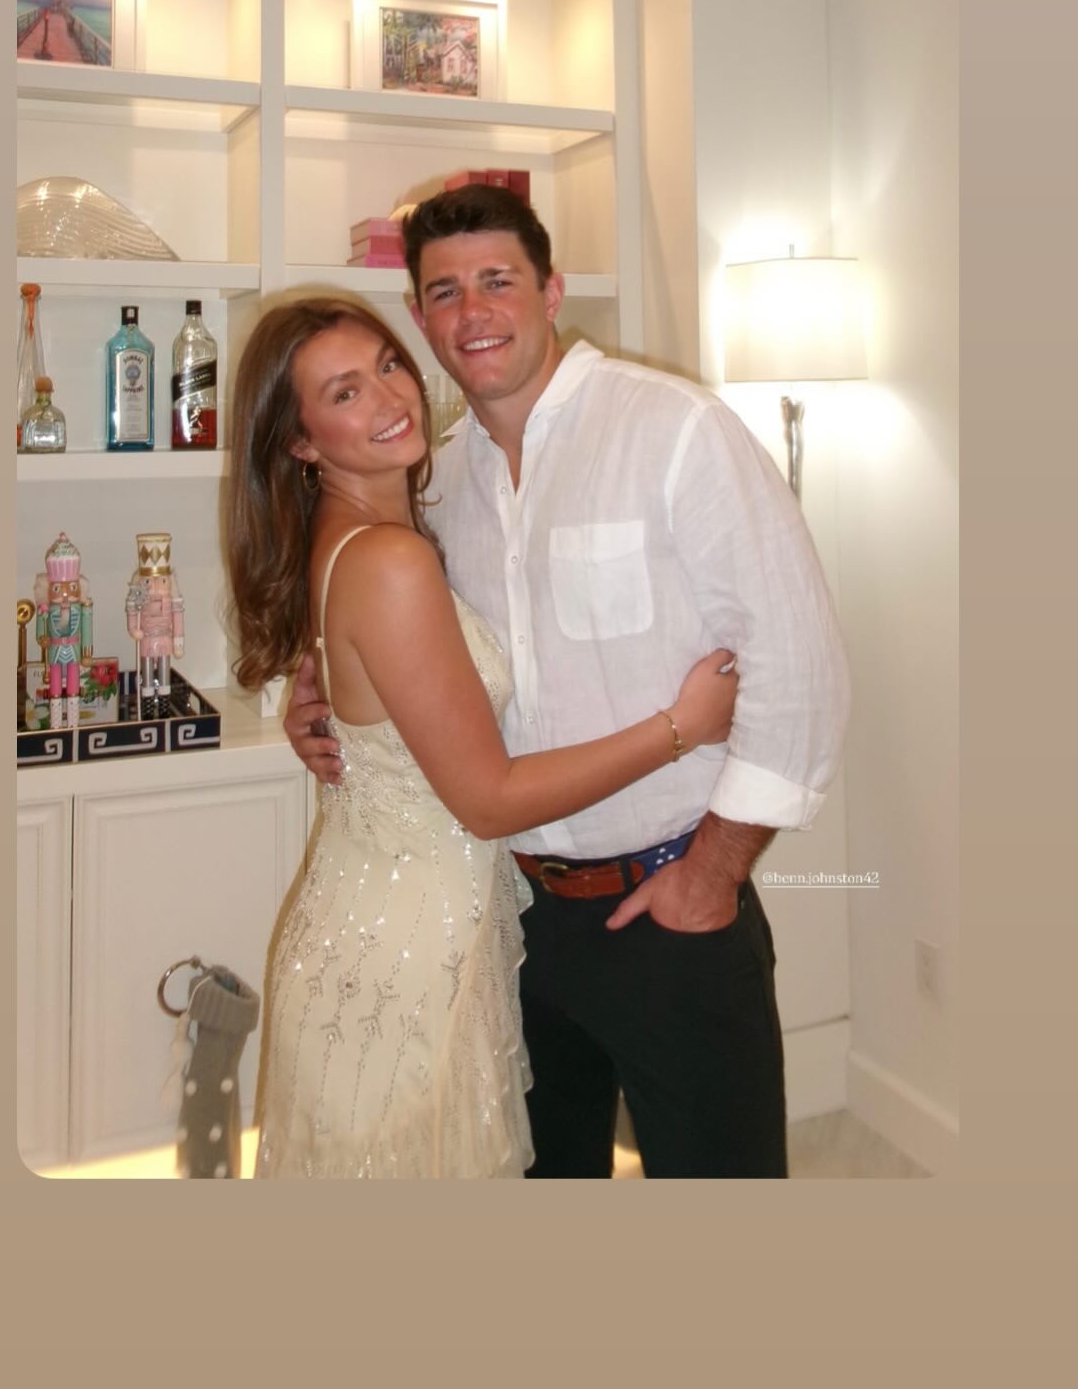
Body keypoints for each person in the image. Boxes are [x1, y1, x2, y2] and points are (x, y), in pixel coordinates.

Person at [287, 186, 852, 1178]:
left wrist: (713, 872)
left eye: (498, 281)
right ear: (420, 316)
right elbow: (407, 639)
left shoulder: (674, 430)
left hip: (671, 906)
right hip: (513, 925)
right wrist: (320, 689)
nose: (474, 312)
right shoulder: (438, 481)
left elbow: (799, 661)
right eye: (445, 292)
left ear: (551, 291)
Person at [228, 295, 739, 1180]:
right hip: (404, 955)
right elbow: (488, 801)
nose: (390, 398)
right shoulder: (390, 560)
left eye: (388, 365)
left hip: (399, 923)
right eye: (345, 393)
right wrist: (678, 729)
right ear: (300, 443)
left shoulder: (376, 534)